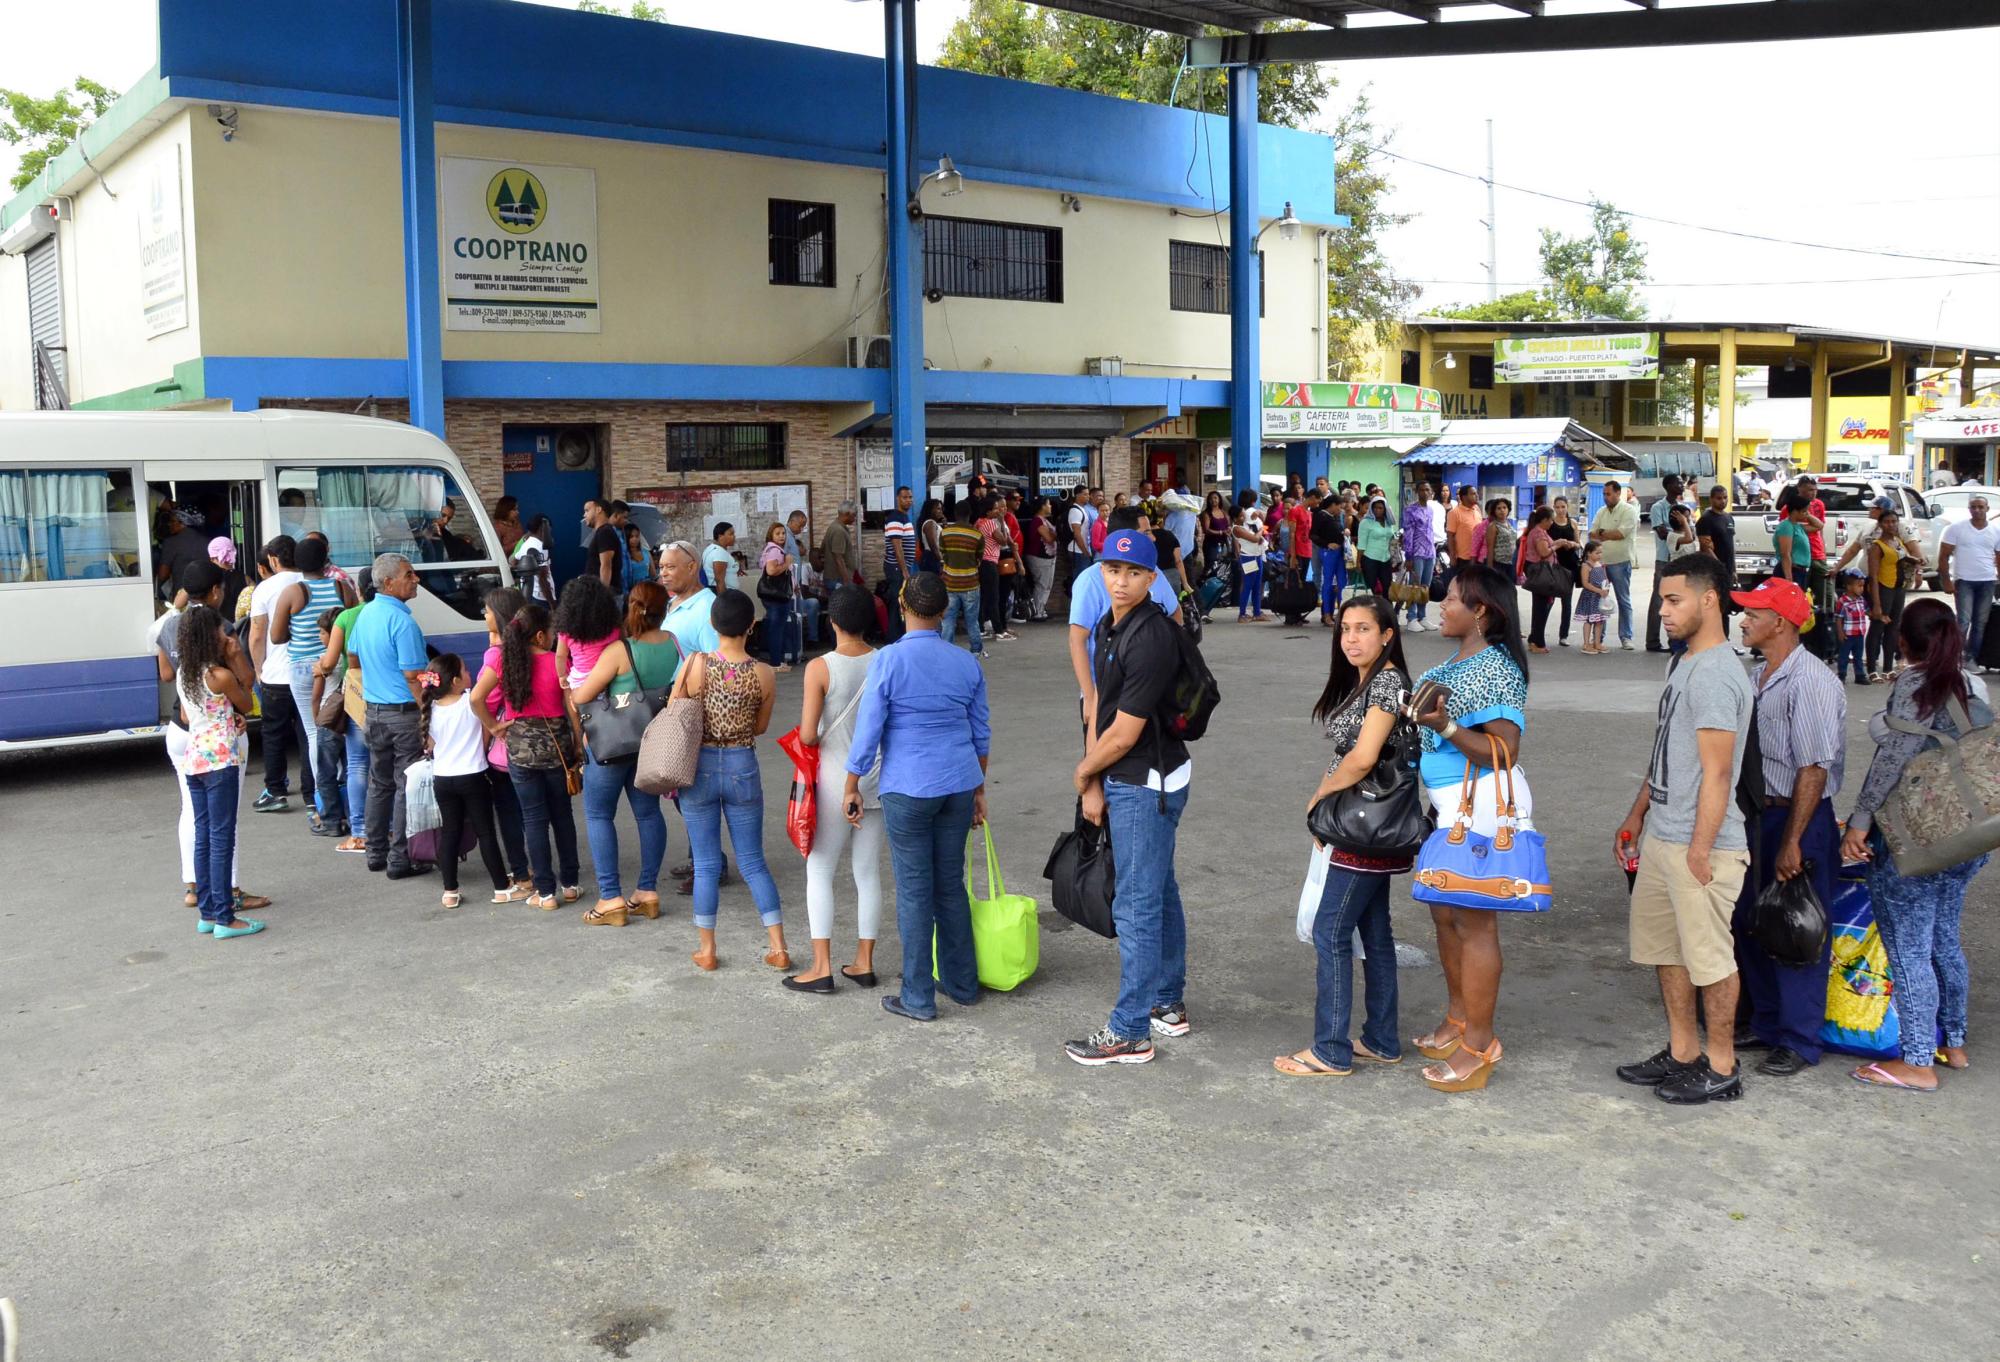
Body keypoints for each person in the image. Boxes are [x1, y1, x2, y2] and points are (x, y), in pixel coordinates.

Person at [1615, 553, 1755, 1106]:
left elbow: (1719, 773)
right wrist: (1637, 813)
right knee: (1666, 952)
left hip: (1705, 845)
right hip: (1663, 836)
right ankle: (1681, 1052)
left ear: (1709, 599)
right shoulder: (1684, 665)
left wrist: (1700, 849)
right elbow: (1668, 756)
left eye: (1674, 601)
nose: (1664, 611)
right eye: (1661, 600)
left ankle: (1720, 1065)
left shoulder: (1719, 673)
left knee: (1711, 958)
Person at [1840, 599, 1990, 1091]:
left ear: (1902, 641)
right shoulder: (1969, 683)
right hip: (1969, 836)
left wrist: (1859, 823)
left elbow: (1892, 761)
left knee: (1908, 946)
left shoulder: (1912, 683)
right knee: (1944, 937)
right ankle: (1955, 1042)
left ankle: (1919, 1061)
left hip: (1919, 841)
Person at [1064, 528, 1193, 1066]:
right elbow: (1098, 710)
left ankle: (1129, 1031)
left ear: (1152, 578)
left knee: (1137, 904)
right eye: (1112, 571)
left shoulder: (1150, 637)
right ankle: (1166, 1002)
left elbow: (1123, 733)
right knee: (1157, 887)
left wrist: (1083, 773)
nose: (1121, 581)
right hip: (1131, 775)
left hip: (1146, 782)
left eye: (1134, 573)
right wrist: (1094, 782)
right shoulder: (1108, 626)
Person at [843, 572, 990, 1023]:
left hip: (908, 787)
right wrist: (978, 788)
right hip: (958, 782)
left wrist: (851, 783)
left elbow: (869, 733)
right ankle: (963, 985)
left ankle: (918, 997)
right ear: (945, 611)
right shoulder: (967, 662)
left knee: (913, 890)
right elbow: (980, 734)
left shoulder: (888, 661)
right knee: (950, 883)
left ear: (904, 608)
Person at [1406, 565, 1531, 1092]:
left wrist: (1447, 727)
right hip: (1449, 806)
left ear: (1480, 610)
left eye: (1453, 598)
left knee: (1475, 922)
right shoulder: (1451, 665)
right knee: (1445, 914)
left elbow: (1504, 752)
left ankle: (1480, 1044)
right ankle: (1459, 1017)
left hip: (1479, 805)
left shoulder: (1497, 668)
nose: (1442, 603)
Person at [1275, 595, 1411, 1077]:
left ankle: (1330, 1049)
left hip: (1363, 823)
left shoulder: (1388, 681)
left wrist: (1318, 798)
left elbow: (1363, 757)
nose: (1351, 639)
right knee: (1374, 932)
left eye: (1363, 630)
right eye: (1346, 629)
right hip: (1360, 822)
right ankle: (1381, 1038)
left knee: (1329, 931)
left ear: (1387, 635)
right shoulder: (1367, 679)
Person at [1726, 577, 1846, 1078]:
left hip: (1796, 816)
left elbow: (1813, 768)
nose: (1744, 619)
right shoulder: (1760, 674)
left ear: (1781, 622)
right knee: (1752, 922)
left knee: (1797, 930)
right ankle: (1769, 1023)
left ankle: (1799, 1039)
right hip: (1760, 815)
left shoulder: (1811, 681)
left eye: (1753, 613)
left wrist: (1793, 840)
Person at [671, 588, 787, 971]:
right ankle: (778, 946)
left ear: (712, 624)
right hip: (742, 764)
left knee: (704, 864)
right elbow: (762, 726)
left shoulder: (695, 665)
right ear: (751, 626)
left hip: (699, 765)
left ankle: (707, 951)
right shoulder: (765, 673)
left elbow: (675, 713)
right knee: (753, 861)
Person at [783, 586, 884, 993]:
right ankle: (863, 962)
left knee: (820, 869)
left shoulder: (821, 668)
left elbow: (808, 734)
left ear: (833, 621)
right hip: (876, 779)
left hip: (833, 779)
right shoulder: (884, 661)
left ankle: (821, 965)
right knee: (868, 872)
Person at [154, 563, 269, 915]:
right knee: (222, 828)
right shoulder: (219, 637)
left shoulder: (171, 625)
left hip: (184, 735)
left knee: (193, 815)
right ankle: (225, 899)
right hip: (219, 744)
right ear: (217, 591)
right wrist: (235, 657)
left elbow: (165, 673)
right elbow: (246, 694)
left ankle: (197, 889)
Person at [570, 581, 680, 926]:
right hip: (651, 743)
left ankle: (610, 898)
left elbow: (581, 697)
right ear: (664, 610)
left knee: (599, 815)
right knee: (647, 814)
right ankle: (646, 892)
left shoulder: (620, 651)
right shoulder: (674, 644)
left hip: (611, 747)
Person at [477, 601, 583, 909]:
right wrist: (577, 744)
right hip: (557, 751)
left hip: (521, 751)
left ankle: (546, 893)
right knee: (563, 816)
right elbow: (573, 711)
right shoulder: (556, 662)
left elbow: (476, 698)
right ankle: (571, 884)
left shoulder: (504, 663)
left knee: (533, 819)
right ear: (539, 635)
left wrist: (495, 726)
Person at [175, 603, 265, 939]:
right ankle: (227, 918)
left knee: (204, 835)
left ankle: (208, 913)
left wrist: (221, 715)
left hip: (195, 757)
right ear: (210, 635)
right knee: (222, 838)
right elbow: (248, 701)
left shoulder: (188, 672)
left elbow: (187, 717)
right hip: (221, 759)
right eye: (221, 630)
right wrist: (236, 653)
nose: (226, 634)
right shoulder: (220, 674)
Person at [350, 552, 434, 879]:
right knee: (403, 785)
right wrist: (430, 709)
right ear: (388, 582)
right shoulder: (403, 622)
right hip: (403, 715)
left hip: (374, 713)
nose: (416, 579)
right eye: (409, 575)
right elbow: (414, 676)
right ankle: (400, 859)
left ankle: (375, 852)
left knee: (380, 783)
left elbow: (354, 656)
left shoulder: (365, 614)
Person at [270, 535, 356, 835]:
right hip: (338, 666)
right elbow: (352, 629)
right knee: (343, 731)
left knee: (314, 735)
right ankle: (349, 803)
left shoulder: (293, 592)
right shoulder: (342, 588)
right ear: (325, 560)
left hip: (303, 670)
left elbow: (277, 637)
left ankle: (326, 809)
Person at [1069, 507, 1183, 730]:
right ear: (1124, 539)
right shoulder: (1090, 580)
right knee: (1103, 756)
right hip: (1106, 694)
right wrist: (1091, 698)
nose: (1152, 537)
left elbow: (1175, 614)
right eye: (1146, 532)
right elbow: (1077, 640)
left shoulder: (1153, 572)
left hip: (1150, 690)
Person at [419, 654, 514, 910]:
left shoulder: (431, 708)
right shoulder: (470, 702)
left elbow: (431, 745)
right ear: (456, 681)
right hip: (473, 775)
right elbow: (486, 729)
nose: (470, 674)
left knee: (450, 832)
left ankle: (450, 890)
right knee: (486, 832)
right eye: (465, 671)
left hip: (443, 778)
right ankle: (501, 887)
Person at [465, 586, 535, 894]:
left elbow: (484, 701)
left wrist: (491, 728)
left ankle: (522, 874)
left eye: (488, 611)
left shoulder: (496, 655)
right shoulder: (535, 647)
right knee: (534, 812)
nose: (484, 615)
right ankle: (541, 870)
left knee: (508, 812)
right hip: (537, 744)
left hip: (505, 750)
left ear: (502, 616)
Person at [247, 535, 315, 815]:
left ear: (274, 560)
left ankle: (275, 791)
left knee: (273, 734)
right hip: (311, 672)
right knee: (309, 733)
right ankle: (314, 794)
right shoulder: (311, 581)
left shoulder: (265, 589)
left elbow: (257, 634)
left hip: (276, 675)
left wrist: (258, 668)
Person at [1938, 494, 2000, 664]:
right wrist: (1946, 581)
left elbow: (1998, 557)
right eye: (1973, 507)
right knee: (1963, 621)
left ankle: (1971, 658)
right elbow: (1943, 556)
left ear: (1987, 509)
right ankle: (1954, 657)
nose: (1977, 510)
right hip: (1964, 580)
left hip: (1987, 581)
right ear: (1969, 509)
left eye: (1981, 507)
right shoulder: (1956, 529)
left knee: (1980, 623)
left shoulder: (1995, 531)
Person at [1865, 509, 1922, 681]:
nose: (1891, 525)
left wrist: (1915, 560)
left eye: (1894, 521)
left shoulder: (1897, 541)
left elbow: (1902, 558)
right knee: (1878, 627)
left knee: (1893, 628)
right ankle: (1872, 668)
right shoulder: (1877, 546)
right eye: (1887, 522)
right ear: (1880, 524)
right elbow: (1873, 576)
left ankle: (1888, 667)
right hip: (1883, 587)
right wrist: (1876, 604)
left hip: (1899, 587)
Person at [1589, 481, 1639, 650]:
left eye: (1608, 494)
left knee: (1623, 600)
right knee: (1600, 599)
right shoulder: (1601, 512)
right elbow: (1591, 535)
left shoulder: (1628, 511)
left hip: (1620, 562)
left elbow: (1620, 533)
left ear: (1618, 493)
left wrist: (1602, 533)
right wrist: (1603, 534)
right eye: (1604, 494)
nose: (1605, 497)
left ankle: (1626, 636)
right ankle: (1598, 637)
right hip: (1601, 564)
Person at [553, 574, 621, 696]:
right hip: (610, 677)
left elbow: (560, 656)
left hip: (581, 682)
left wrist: (562, 675)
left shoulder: (566, 630)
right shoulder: (613, 626)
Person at [938, 498, 987, 657]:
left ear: (955, 514)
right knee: (972, 621)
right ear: (969, 515)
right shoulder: (977, 535)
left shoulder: (945, 533)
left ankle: (947, 651)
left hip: (950, 584)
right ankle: (976, 650)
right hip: (970, 584)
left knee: (948, 621)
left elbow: (943, 555)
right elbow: (979, 558)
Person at [755, 522, 799, 672]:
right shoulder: (774, 551)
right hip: (777, 597)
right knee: (777, 629)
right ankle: (776, 662)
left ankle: (773, 659)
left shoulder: (772, 549)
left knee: (774, 627)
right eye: (777, 533)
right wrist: (787, 563)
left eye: (783, 533)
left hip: (774, 596)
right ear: (771, 536)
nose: (781, 536)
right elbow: (772, 571)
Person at [1519, 505, 1561, 655]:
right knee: (1541, 607)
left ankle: (1534, 638)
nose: (1552, 523)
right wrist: (1557, 545)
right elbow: (1543, 552)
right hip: (1540, 572)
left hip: (1539, 571)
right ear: (1544, 520)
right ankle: (1537, 641)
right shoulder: (1538, 534)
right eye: (1551, 520)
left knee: (1541, 606)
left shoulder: (1539, 532)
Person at [975, 495, 1016, 642]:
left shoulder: (978, 523)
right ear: (988, 512)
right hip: (990, 562)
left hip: (981, 563)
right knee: (993, 597)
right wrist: (1001, 520)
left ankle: (981, 628)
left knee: (984, 598)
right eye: (994, 509)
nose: (998, 511)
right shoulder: (991, 524)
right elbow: (1003, 541)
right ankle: (999, 631)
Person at [1400, 482, 1437, 632]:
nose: (1425, 492)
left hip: (1430, 551)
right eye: (1421, 490)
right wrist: (1408, 556)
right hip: (1416, 552)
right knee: (1415, 585)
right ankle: (1412, 617)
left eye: (1427, 489)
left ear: (1431, 492)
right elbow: (1408, 535)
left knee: (1425, 587)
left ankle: (1423, 616)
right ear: (1417, 492)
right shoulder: (1410, 510)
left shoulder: (1430, 510)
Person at [881, 486, 917, 641]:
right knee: (897, 603)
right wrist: (904, 570)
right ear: (898, 499)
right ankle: (894, 639)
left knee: (900, 602)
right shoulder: (896, 517)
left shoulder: (903, 517)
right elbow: (897, 546)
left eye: (910, 497)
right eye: (905, 497)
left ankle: (899, 636)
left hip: (901, 567)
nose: (908, 500)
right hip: (897, 568)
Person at [1024, 496, 1058, 622]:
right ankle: (1037, 611)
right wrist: (1055, 533)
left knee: (1047, 584)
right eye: (1048, 504)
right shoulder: (1038, 521)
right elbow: (1049, 538)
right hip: (1039, 556)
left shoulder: (1045, 520)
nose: (1051, 506)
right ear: (1042, 506)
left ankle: (1041, 609)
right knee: (1042, 584)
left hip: (1047, 557)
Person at [1355, 495, 1396, 599]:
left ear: (1385, 509)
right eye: (1375, 508)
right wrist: (1358, 562)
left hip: (1385, 558)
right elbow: (1362, 544)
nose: (1377, 510)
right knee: (1373, 588)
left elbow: (1391, 538)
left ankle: (1387, 611)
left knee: (1387, 587)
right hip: (1370, 559)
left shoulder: (1388, 522)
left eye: (1380, 508)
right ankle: (1373, 612)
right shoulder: (1366, 522)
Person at [1834, 570, 1871, 683]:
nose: (1862, 589)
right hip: (1848, 634)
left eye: (1862, 586)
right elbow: (1838, 618)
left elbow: (1868, 612)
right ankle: (1842, 674)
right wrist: (1840, 632)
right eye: (1859, 586)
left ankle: (1859, 675)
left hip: (1859, 634)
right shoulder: (1842, 601)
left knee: (1858, 656)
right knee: (1844, 656)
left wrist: (1880, 616)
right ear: (1849, 586)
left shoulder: (1861, 600)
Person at [1772, 493, 1814, 587]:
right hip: (1791, 571)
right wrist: (1789, 578)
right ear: (1795, 511)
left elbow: (1819, 526)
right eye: (1804, 511)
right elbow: (1785, 554)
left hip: (1800, 571)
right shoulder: (1786, 526)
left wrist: (1807, 515)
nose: (1806, 514)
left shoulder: (1797, 526)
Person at [511, 514, 555, 605]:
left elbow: (512, 561)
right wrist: (552, 604)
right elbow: (542, 579)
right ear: (543, 528)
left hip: (528, 595)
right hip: (541, 598)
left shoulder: (526, 543)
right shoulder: (540, 547)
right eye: (549, 528)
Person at [1233, 505, 1266, 622]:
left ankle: (1257, 612)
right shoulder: (1237, 529)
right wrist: (1261, 530)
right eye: (1241, 516)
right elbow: (1255, 539)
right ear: (1235, 518)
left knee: (1257, 585)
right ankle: (1242, 614)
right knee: (1248, 585)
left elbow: (1257, 537)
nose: (1244, 517)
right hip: (1248, 558)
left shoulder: (1246, 524)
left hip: (1257, 555)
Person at [1577, 542, 1610, 655]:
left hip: (1600, 597)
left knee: (1599, 621)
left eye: (1601, 552)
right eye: (1597, 553)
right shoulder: (1586, 566)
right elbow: (1585, 583)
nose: (1600, 555)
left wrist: (1606, 589)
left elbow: (1605, 579)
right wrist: (1599, 591)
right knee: (1588, 620)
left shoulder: (1600, 564)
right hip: (1590, 597)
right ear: (1588, 553)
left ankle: (1597, 643)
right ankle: (1586, 644)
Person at [1445, 486, 1482, 582]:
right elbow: (1450, 536)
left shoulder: (1477, 511)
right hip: (1463, 558)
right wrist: (1452, 557)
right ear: (1464, 497)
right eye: (1473, 494)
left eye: (1476, 493)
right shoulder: (1454, 513)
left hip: (1478, 557)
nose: (1477, 496)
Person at [583, 498, 622, 590]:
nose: (584, 515)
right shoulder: (602, 532)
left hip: (605, 595)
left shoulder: (605, 532)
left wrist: (603, 594)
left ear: (598, 510)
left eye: (587, 510)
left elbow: (606, 565)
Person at [822, 500, 859, 587]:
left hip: (838, 578)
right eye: (854, 515)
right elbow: (838, 558)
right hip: (838, 579)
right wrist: (847, 581)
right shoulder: (838, 530)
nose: (855, 518)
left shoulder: (837, 527)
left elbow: (822, 548)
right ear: (847, 514)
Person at [702, 522, 740, 598]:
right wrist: (723, 601)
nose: (734, 536)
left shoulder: (711, 548)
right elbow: (719, 581)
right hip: (724, 593)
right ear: (720, 536)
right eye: (731, 534)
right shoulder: (719, 553)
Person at [917, 497, 946, 576]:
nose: (941, 511)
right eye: (938, 509)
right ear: (930, 510)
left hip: (930, 557)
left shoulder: (933, 523)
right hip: (932, 557)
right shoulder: (930, 523)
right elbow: (933, 545)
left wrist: (944, 525)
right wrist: (941, 560)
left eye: (941, 509)